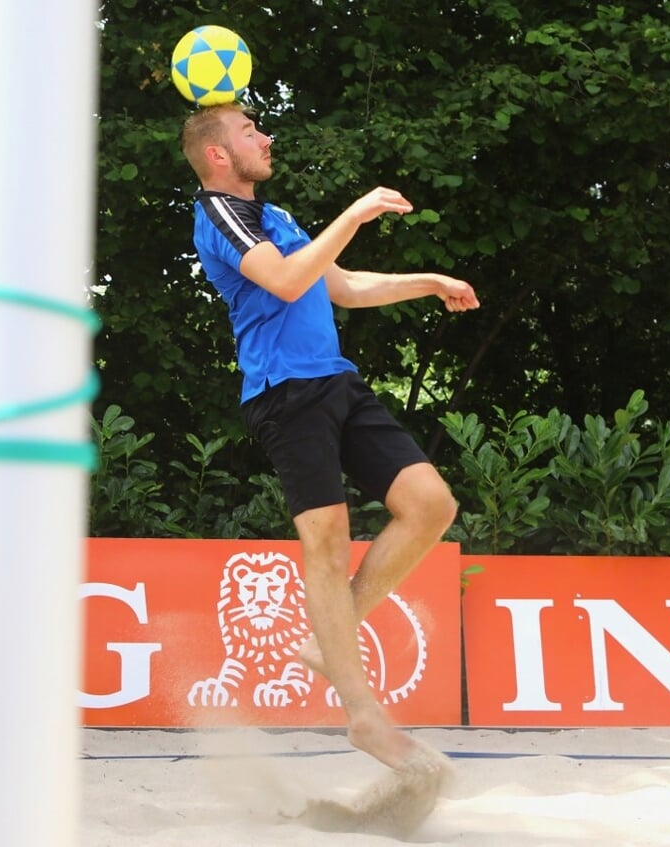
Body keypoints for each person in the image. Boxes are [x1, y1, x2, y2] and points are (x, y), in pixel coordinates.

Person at [182, 103, 480, 773]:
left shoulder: (279, 217)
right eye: (249, 132)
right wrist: (355, 212)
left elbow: (338, 285)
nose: (265, 136)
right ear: (218, 156)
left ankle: (330, 635)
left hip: (335, 383)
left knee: (432, 504)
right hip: (284, 394)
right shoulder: (220, 213)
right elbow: (288, 282)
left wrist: (429, 282)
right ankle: (363, 714)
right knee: (328, 540)